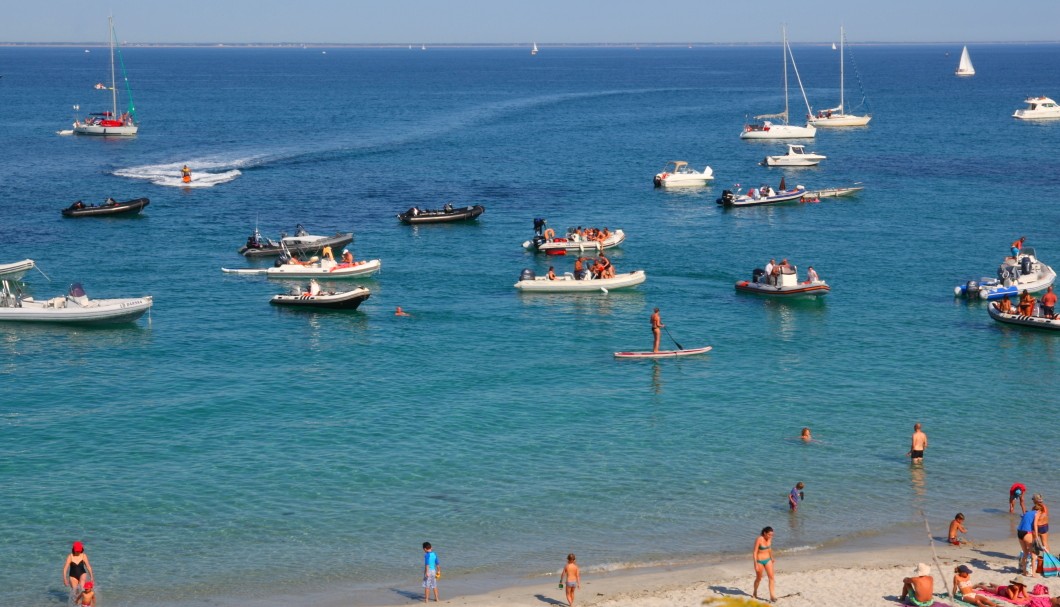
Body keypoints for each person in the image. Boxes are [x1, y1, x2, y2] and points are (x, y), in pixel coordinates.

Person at [753, 527, 776, 602]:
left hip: (768, 560)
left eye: (772, 535)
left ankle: (772, 596)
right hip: (760, 561)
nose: (771, 536)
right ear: (764, 533)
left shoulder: (770, 538)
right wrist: (755, 564)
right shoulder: (759, 539)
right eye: (769, 535)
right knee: (759, 578)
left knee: (771, 577)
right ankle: (755, 591)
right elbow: (755, 552)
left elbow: (769, 548)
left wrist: (771, 557)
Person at [1018, 506, 1038, 576]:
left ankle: (1024, 572)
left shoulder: (1027, 513)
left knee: (1025, 553)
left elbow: (1023, 518)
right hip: (1027, 532)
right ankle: (1034, 574)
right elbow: (1035, 525)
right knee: (1033, 553)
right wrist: (1037, 537)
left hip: (1019, 532)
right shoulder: (1037, 513)